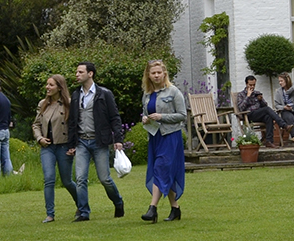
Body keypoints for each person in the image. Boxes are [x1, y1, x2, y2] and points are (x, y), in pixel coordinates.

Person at [67, 61, 126, 221]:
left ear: (90, 74)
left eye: (80, 72)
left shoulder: (104, 94)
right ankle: (84, 212)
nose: (77, 75)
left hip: (99, 141)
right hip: (81, 142)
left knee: (104, 178)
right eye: (77, 72)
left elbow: (115, 117)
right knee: (80, 179)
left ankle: (118, 202)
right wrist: (71, 144)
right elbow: (72, 121)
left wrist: (118, 139)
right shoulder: (75, 95)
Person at [139, 59, 188, 222]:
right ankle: (175, 208)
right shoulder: (147, 94)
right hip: (155, 137)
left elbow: (182, 115)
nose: (156, 75)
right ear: (148, 75)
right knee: (165, 172)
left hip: (170, 136)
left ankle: (152, 208)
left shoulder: (173, 91)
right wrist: (145, 119)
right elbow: (145, 112)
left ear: (164, 73)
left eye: (159, 72)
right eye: (153, 73)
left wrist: (162, 117)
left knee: (160, 168)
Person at [33, 74, 79, 223]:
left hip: (64, 146)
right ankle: (50, 214)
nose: (47, 87)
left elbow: (75, 126)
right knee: (49, 179)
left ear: (59, 87)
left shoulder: (69, 104)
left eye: (51, 85)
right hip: (47, 147)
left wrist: (74, 145)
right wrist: (40, 138)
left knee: (67, 181)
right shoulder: (42, 104)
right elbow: (36, 124)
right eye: (47, 85)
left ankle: (82, 205)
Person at [235, 75, 280, 144]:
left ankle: (269, 141)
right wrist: (248, 96)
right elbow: (241, 108)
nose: (252, 87)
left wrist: (261, 100)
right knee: (266, 110)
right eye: (250, 85)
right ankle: (283, 124)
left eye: (254, 85)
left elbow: (265, 105)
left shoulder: (257, 93)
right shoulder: (241, 95)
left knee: (268, 117)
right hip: (249, 115)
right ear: (246, 84)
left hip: (258, 114)